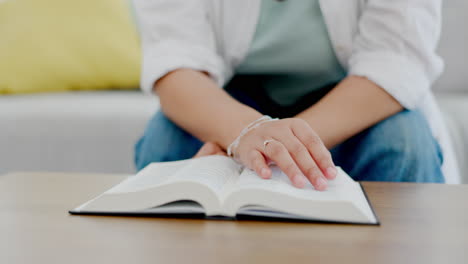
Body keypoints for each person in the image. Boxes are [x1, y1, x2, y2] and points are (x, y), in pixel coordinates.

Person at [132, 0, 460, 190]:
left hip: (354, 96)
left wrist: (273, 146)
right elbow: (174, 60)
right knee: (167, 143)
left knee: (403, 145)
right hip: (229, 97)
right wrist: (242, 132)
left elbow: (395, 59)